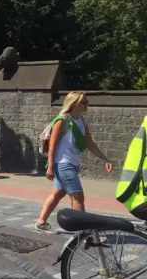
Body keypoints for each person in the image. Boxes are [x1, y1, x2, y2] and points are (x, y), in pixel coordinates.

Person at [35, 91, 113, 232]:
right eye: (84, 102)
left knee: (57, 194)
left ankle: (41, 222)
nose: (87, 105)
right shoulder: (62, 120)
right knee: (78, 198)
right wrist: (50, 166)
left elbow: (90, 144)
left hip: (73, 164)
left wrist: (105, 159)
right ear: (74, 103)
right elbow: (52, 145)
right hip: (63, 164)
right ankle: (82, 233)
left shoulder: (82, 121)